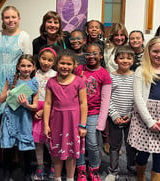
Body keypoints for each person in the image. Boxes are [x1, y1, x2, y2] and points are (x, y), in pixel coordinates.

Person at [127, 37, 160, 181]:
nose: (159, 55)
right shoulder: (141, 70)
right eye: (155, 51)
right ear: (148, 51)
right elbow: (138, 97)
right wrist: (150, 121)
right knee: (143, 153)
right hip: (145, 118)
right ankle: (140, 177)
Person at [44, 50, 87, 181]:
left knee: (72, 153)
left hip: (73, 122)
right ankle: (57, 178)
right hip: (57, 121)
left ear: (74, 65)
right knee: (57, 153)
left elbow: (83, 103)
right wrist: (46, 125)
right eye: (62, 63)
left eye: (69, 64)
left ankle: (70, 178)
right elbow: (47, 103)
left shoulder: (79, 82)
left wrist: (83, 125)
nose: (65, 66)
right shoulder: (51, 82)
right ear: (56, 64)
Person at [0, 54, 38, 178]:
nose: (26, 68)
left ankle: (26, 172)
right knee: (8, 146)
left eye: (29, 66)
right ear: (18, 67)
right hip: (10, 117)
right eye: (23, 66)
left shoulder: (34, 83)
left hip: (24, 118)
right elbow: (1, 99)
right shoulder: (11, 79)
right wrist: (8, 94)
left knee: (24, 147)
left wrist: (26, 104)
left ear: (34, 67)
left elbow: (35, 106)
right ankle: (6, 171)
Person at [75, 43, 112, 181]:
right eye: (88, 54)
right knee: (78, 141)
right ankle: (81, 169)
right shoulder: (78, 70)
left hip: (93, 113)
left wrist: (101, 122)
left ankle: (94, 168)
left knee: (92, 142)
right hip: (77, 112)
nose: (91, 56)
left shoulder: (104, 74)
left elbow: (106, 99)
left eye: (95, 53)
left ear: (101, 55)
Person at [104, 45, 137, 181]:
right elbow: (107, 98)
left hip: (131, 117)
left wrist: (130, 115)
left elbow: (138, 98)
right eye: (121, 58)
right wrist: (114, 115)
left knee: (131, 146)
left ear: (133, 60)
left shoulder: (136, 77)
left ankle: (131, 171)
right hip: (115, 118)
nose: (125, 60)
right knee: (114, 146)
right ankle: (113, 171)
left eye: (129, 58)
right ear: (116, 60)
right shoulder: (110, 77)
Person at [0, 6, 32, 90]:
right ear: (2, 19)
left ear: (18, 19)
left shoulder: (24, 36)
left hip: (15, 78)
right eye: (7, 17)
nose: (10, 20)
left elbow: (28, 61)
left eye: (13, 17)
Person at [102, 22, 128, 155]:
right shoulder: (107, 48)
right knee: (108, 112)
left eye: (122, 35)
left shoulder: (128, 49)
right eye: (116, 35)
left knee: (121, 112)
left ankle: (117, 144)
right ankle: (107, 142)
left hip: (124, 82)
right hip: (109, 82)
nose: (119, 38)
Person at [32, 47, 57, 180]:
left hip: (50, 111)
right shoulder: (34, 74)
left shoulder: (55, 75)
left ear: (54, 62)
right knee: (38, 143)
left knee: (50, 142)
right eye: (43, 59)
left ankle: (54, 165)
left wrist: (44, 111)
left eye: (49, 60)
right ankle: (40, 166)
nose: (46, 62)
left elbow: (56, 97)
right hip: (36, 110)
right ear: (39, 59)